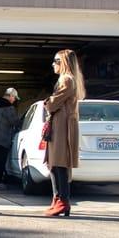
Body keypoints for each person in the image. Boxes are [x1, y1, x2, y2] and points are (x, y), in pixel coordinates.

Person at [44, 49, 86, 217]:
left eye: (56, 61)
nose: (53, 64)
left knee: (59, 164)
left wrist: (47, 102)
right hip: (61, 123)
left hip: (63, 125)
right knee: (55, 164)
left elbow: (53, 103)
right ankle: (58, 200)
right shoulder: (68, 80)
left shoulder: (67, 80)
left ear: (64, 63)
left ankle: (62, 201)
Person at [0, 87, 21, 190]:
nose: (14, 100)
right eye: (14, 98)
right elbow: (14, 122)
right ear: (10, 96)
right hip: (3, 139)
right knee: (0, 161)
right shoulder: (9, 108)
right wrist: (22, 123)